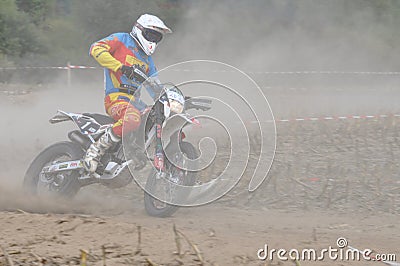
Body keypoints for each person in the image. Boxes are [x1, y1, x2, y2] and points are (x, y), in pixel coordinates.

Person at [83, 14, 172, 173]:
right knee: (132, 119)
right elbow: (95, 49)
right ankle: (96, 149)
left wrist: (171, 99)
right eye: (151, 35)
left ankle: (134, 151)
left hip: (136, 103)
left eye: (157, 38)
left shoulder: (147, 61)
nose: (153, 40)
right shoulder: (122, 39)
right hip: (116, 98)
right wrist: (120, 67)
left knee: (155, 117)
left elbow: (155, 86)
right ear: (139, 30)